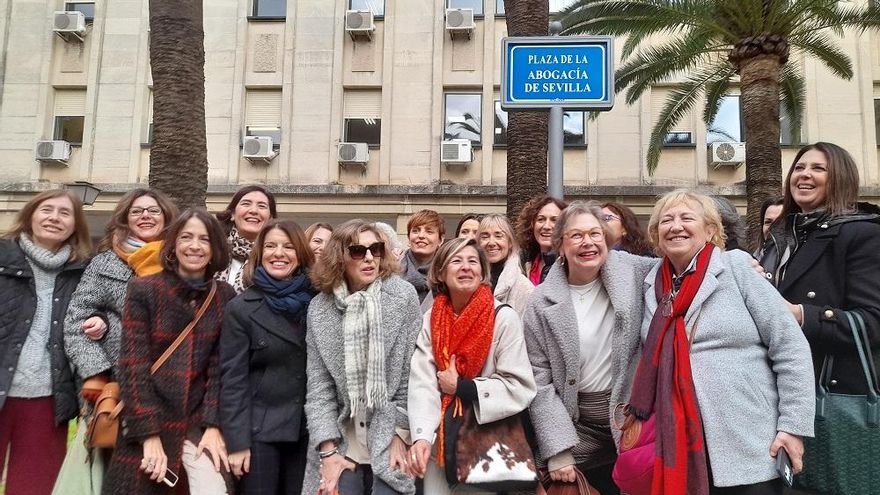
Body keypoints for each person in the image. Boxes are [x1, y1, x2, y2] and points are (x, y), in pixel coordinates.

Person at [632, 190, 814, 494]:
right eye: (666, 220)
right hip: (675, 440)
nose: (675, 226)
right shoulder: (651, 284)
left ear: (711, 231)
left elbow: (790, 348)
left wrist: (792, 427)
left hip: (748, 437)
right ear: (656, 235)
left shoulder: (737, 269)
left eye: (687, 218)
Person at [522, 201, 655, 495]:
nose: (588, 243)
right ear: (560, 245)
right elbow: (539, 380)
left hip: (633, 420)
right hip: (577, 426)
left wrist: (735, 261)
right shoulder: (541, 302)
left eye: (595, 234)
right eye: (576, 235)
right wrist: (558, 448)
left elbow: (682, 263)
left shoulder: (634, 272)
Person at [103, 209, 237, 495]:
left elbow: (219, 367)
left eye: (204, 239)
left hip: (196, 420)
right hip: (149, 415)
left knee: (214, 488)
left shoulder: (223, 295)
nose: (195, 246)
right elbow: (133, 364)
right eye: (186, 237)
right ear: (174, 244)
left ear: (214, 249)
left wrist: (213, 425)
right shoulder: (144, 289)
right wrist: (148, 434)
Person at [407, 238, 537, 494]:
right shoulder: (432, 318)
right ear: (441, 272)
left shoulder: (503, 317)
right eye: (456, 261)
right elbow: (422, 382)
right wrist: (421, 436)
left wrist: (463, 388)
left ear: (482, 271)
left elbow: (520, 386)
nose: (466, 267)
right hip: (440, 444)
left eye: (473, 261)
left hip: (485, 443)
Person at [303, 220, 421, 495]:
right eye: (357, 251)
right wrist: (328, 451)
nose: (369, 257)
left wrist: (400, 433)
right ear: (339, 259)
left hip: (390, 429)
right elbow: (319, 390)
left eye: (376, 249)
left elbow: (410, 374)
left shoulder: (402, 297)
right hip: (343, 436)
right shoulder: (320, 308)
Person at [761, 142, 880, 396]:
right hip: (772, 388)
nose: (804, 174)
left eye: (818, 168)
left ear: (840, 178)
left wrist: (801, 314)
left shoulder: (863, 233)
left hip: (826, 394)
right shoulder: (779, 238)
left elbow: (872, 323)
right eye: (799, 167)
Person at [0, 189, 92, 495]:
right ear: (30, 216)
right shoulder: (2, 256)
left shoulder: (82, 271)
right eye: (47, 210)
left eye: (65, 213)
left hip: (49, 398)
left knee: (35, 488)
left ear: (75, 225)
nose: (54, 218)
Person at [220, 220, 316, 494]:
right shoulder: (241, 308)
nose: (279, 253)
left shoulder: (319, 302)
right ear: (260, 253)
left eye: (288, 247)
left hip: (307, 431)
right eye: (271, 246)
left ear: (300, 254)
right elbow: (233, 380)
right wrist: (237, 442)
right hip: (259, 433)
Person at [65, 188, 178, 400]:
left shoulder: (182, 261)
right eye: (136, 211)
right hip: (117, 384)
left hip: (172, 379)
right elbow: (76, 319)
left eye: (154, 210)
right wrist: (96, 370)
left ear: (166, 217)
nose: (145, 215)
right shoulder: (103, 264)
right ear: (126, 218)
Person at [215, 185, 277, 293]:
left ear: (270, 218)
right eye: (246, 204)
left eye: (262, 206)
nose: (253, 211)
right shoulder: (212, 250)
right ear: (232, 214)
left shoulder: (279, 258)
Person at [476, 213, 533, 315]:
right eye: (485, 237)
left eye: (498, 236)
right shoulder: (469, 281)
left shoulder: (524, 288)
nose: (491, 243)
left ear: (510, 242)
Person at [516, 195, 567, 285]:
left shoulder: (571, 264)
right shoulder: (521, 261)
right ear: (532, 225)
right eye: (541, 219)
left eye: (554, 220)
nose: (546, 226)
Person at [400, 209, 445, 303]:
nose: (421, 236)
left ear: (440, 240)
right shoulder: (392, 267)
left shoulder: (447, 272)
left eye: (429, 231)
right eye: (415, 231)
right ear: (408, 238)